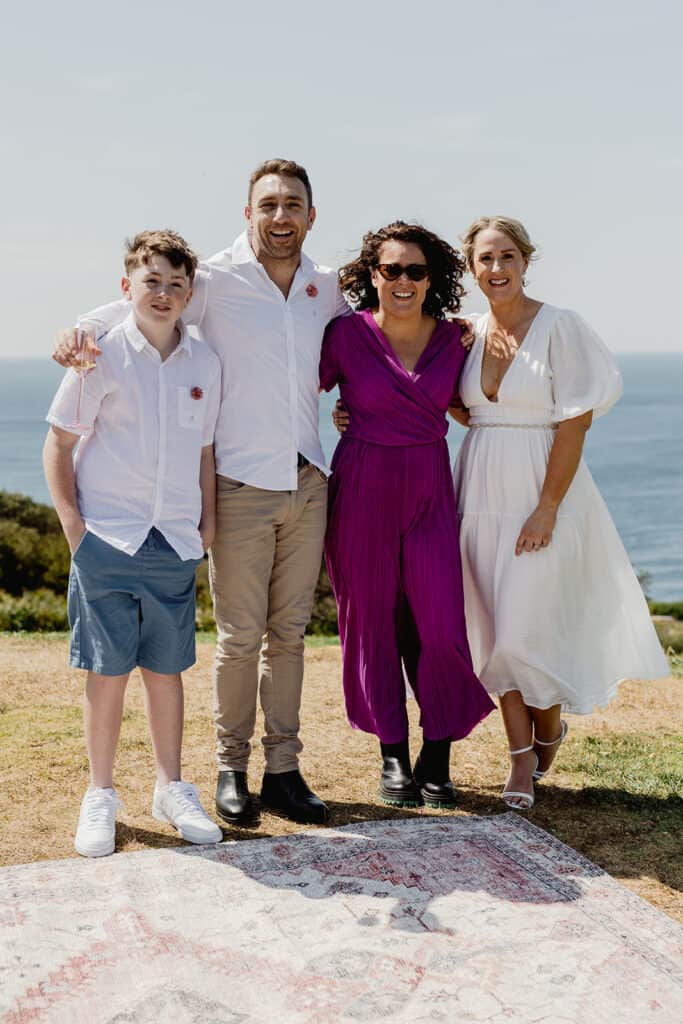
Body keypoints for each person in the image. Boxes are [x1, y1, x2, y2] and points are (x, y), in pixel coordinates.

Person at [53, 159, 349, 827]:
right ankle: (228, 769)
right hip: (238, 480)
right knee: (240, 637)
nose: (280, 215)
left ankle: (283, 769)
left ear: (310, 214)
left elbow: (372, 335)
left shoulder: (325, 286)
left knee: (291, 635)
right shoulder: (211, 278)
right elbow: (140, 301)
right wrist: (76, 333)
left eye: (292, 204)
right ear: (247, 213)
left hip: (306, 476)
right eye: (268, 203)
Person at [452, 215, 669, 809]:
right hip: (478, 490)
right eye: (484, 260)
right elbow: (451, 403)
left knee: (527, 630)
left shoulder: (560, 326)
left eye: (506, 257)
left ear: (525, 261)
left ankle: (543, 735)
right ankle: (525, 755)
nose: (495, 270)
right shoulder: (465, 333)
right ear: (471, 268)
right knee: (492, 633)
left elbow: (574, 423)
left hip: (541, 489)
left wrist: (547, 508)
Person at [43, 230, 223, 856]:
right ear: (127, 289)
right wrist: (75, 530)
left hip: (173, 542)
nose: (165, 293)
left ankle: (171, 787)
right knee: (109, 669)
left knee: (167, 671)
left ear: (190, 292)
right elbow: (60, 443)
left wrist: (207, 527)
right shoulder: (100, 356)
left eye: (177, 284)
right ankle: (101, 794)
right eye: (152, 281)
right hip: (106, 541)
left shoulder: (204, 362)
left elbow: (205, 452)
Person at [320, 222, 495, 808]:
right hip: (362, 487)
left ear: (431, 279)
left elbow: (481, 405)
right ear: (373, 275)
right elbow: (286, 387)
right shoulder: (344, 335)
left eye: (415, 271)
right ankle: (393, 757)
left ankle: (437, 754)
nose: (402, 281)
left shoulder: (456, 340)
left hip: (428, 488)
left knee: (441, 627)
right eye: (390, 269)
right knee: (370, 624)